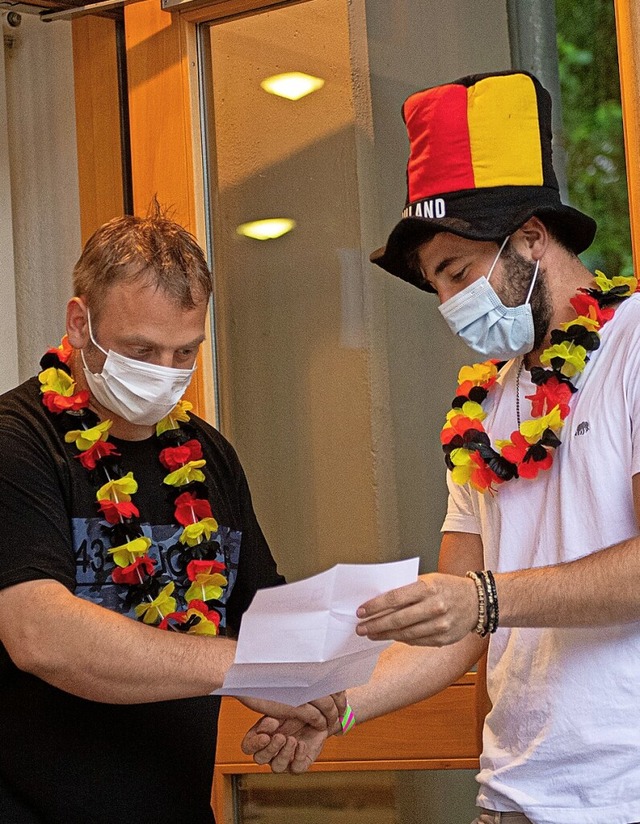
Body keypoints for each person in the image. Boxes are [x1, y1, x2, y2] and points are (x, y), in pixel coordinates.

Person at [242, 70, 640, 824]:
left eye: (459, 272)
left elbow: (478, 602)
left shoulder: (637, 347)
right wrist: (338, 709)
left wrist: (486, 598)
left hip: (625, 793)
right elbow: (452, 630)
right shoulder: (483, 408)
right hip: (511, 797)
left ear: (530, 236)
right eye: (437, 287)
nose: (453, 304)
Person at [0, 209, 343, 824]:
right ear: (80, 323)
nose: (163, 372)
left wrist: (309, 696)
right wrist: (247, 670)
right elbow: (38, 634)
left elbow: (266, 621)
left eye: (184, 351)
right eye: (141, 349)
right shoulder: (16, 442)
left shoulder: (210, 457)